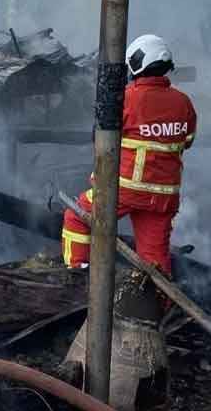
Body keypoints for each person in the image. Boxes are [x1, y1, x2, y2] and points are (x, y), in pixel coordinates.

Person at [60, 34, 197, 276]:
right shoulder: (183, 102)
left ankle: (77, 276)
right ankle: (156, 307)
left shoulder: (127, 98)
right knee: (154, 260)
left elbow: (101, 141)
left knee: (77, 218)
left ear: (136, 64)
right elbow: (187, 141)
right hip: (163, 198)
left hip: (124, 189)